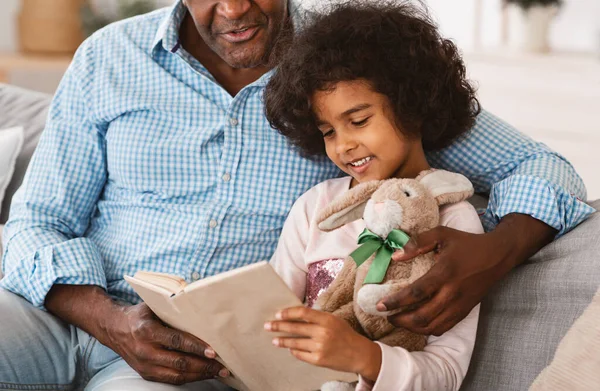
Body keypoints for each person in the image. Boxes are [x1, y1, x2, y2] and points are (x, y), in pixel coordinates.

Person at [0, 0, 594, 389]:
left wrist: (495, 253)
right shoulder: (109, 59)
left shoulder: (355, 65)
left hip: (193, 360)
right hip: (56, 313)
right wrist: (107, 319)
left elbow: (544, 168)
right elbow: (35, 222)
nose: (234, 9)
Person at [263, 3, 482, 390]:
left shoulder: (454, 220)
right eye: (328, 131)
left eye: (359, 121)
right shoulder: (315, 208)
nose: (343, 145)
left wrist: (363, 357)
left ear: (412, 104)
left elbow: (447, 371)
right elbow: (274, 319)